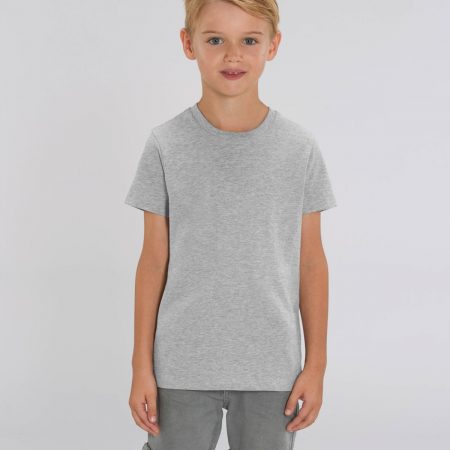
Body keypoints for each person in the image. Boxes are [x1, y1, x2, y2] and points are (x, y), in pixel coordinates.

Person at [124, 1, 337, 449]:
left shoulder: (298, 148)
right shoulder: (165, 144)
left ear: (273, 46)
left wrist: (315, 366)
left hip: (272, 367)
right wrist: (141, 365)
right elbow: (153, 261)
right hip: (180, 364)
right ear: (189, 44)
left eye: (249, 40)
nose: (233, 55)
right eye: (216, 39)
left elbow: (311, 263)